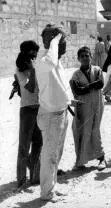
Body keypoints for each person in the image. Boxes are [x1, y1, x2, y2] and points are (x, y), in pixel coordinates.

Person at [35, 24, 70, 202]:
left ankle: (52, 187)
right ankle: (46, 193)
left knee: (56, 154)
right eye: (62, 42)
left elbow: (61, 85)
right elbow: (51, 61)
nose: (64, 45)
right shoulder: (44, 61)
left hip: (61, 113)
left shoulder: (57, 62)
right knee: (49, 155)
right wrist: (56, 39)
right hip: (51, 117)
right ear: (51, 42)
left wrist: (69, 101)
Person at [69, 46, 107, 171]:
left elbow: (100, 83)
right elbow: (76, 89)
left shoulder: (97, 70)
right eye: (82, 56)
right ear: (78, 59)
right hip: (83, 107)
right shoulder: (76, 74)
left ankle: (101, 158)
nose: (85, 58)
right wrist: (91, 86)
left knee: (95, 130)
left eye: (87, 55)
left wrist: (85, 88)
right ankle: (80, 161)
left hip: (97, 105)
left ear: (91, 57)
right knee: (82, 132)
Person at [15, 40, 42, 188]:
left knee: (38, 144)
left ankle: (34, 177)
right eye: (32, 53)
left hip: (39, 109)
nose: (34, 56)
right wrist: (32, 70)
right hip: (27, 111)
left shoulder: (35, 68)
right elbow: (31, 88)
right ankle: (21, 180)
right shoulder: (19, 71)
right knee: (24, 147)